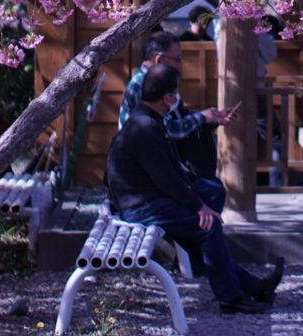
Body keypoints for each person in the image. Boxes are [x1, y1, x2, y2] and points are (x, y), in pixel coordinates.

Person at [107, 63, 284, 314]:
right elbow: (165, 178)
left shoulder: (149, 120)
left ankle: (254, 287)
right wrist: (198, 207)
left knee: (209, 205)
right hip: (139, 205)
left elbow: (172, 171)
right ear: (167, 97)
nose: (178, 97)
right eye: (176, 91)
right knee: (207, 227)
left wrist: (197, 201)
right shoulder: (145, 127)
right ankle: (231, 297)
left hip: (147, 198)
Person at [120, 31, 237, 192]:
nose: (181, 65)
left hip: (165, 166)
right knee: (212, 191)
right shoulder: (143, 85)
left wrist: (211, 118)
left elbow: (175, 118)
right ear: (159, 60)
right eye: (177, 59)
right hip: (148, 172)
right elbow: (167, 130)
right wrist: (202, 117)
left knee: (212, 188)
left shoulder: (159, 81)